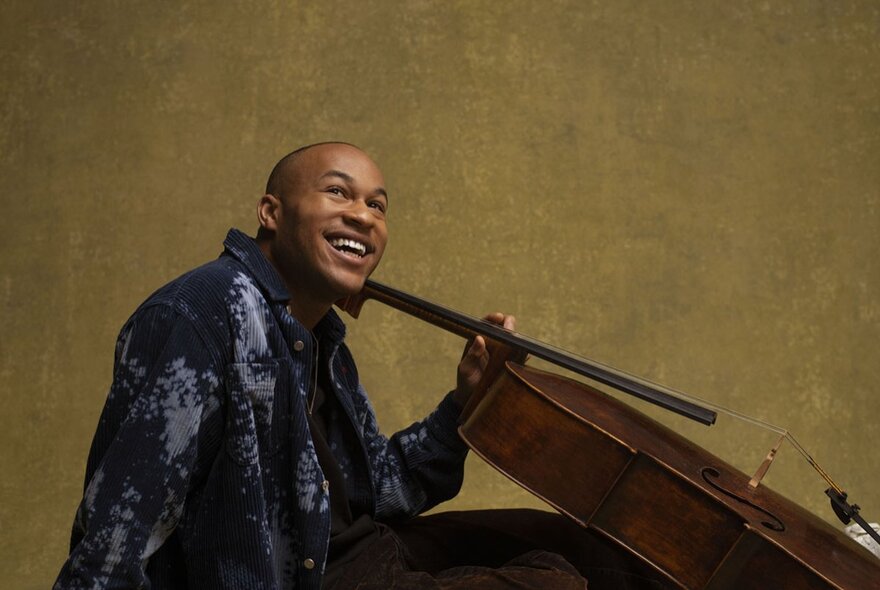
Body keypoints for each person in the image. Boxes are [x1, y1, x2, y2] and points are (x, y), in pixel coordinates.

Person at [55, 142, 665, 589]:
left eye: (378, 205)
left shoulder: (318, 335)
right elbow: (116, 529)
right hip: (307, 580)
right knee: (555, 585)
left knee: (583, 548)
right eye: (338, 191)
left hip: (363, 552)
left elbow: (384, 489)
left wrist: (466, 403)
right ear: (271, 212)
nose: (365, 215)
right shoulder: (200, 316)